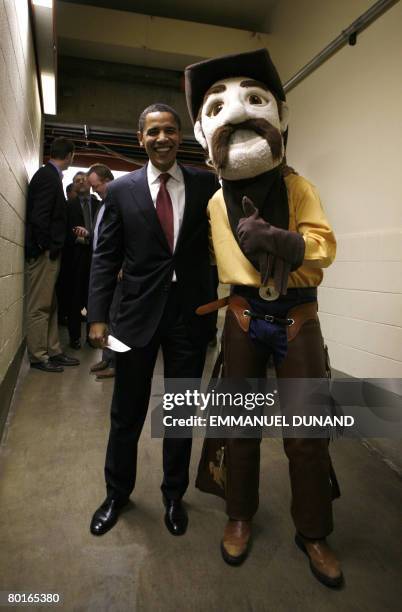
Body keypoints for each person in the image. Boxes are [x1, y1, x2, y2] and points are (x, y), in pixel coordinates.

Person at [185, 49, 342, 587]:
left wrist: (283, 241)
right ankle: (239, 516)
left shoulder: (299, 188)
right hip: (244, 316)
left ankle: (314, 531)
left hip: (297, 317)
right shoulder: (213, 203)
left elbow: (324, 248)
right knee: (238, 427)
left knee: (307, 433)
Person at [87, 103, 218, 537]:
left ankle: (174, 494)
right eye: (153, 132)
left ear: (180, 136)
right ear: (140, 138)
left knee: (180, 413)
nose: (162, 138)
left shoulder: (205, 184)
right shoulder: (121, 190)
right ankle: (117, 493)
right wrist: (99, 317)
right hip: (132, 319)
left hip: (189, 317)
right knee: (126, 412)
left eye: (169, 131)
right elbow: (105, 257)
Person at [25, 137, 80, 373]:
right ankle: (38, 356)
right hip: (43, 254)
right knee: (39, 307)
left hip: (50, 253)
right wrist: (46, 247)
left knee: (51, 305)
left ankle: (53, 351)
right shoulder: (48, 176)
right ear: (70, 156)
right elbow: (40, 216)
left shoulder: (50, 175)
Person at [86, 164, 118, 380]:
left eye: (96, 187)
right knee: (106, 315)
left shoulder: (120, 203)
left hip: (117, 271)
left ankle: (116, 364)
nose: (94, 191)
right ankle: (107, 357)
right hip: (103, 268)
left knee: (116, 317)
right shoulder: (103, 205)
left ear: (107, 180)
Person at [65, 171, 101, 349]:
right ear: (74, 186)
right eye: (77, 181)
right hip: (76, 258)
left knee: (93, 299)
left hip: (96, 258)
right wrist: (81, 238)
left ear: (89, 183)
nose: (81, 183)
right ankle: (74, 338)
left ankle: (91, 337)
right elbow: (65, 232)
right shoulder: (68, 206)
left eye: (83, 180)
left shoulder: (99, 205)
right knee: (75, 299)